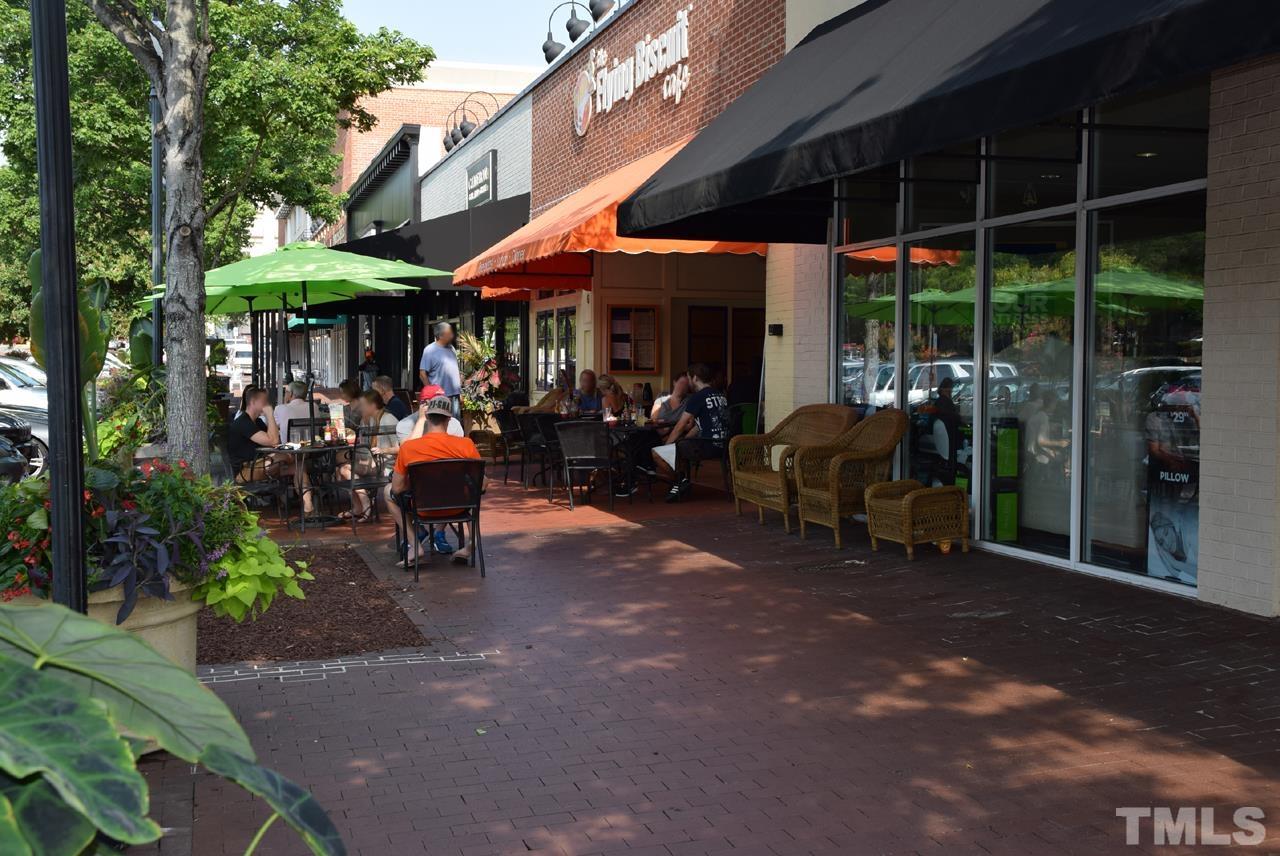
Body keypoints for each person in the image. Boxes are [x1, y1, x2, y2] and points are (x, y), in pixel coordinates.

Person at [388, 396, 482, 564]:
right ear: (449, 419)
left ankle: (415, 546)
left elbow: (396, 488)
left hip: (423, 509)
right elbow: (482, 482)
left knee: (387, 492)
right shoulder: (466, 445)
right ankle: (472, 543)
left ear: (427, 417)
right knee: (474, 490)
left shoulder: (409, 448)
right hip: (458, 508)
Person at [652, 363, 729, 503]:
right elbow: (700, 426)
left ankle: (681, 480)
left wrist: (668, 445)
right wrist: (682, 440)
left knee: (657, 454)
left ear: (695, 378)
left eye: (688, 378)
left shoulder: (698, 397)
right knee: (681, 445)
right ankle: (681, 482)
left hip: (707, 446)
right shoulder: (720, 395)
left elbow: (681, 425)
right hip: (724, 445)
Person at [229, 386, 312, 513]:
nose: (267, 404)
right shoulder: (243, 422)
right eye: (264, 401)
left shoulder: (257, 422)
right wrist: (269, 414)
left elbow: (275, 442)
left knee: (299, 466)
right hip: (245, 471)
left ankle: (308, 509)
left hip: (260, 466)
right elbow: (273, 441)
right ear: (253, 402)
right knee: (286, 457)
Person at [418, 321, 461, 417]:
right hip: (439, 397)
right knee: (443, 425)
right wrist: (431, 393)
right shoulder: (430, 350)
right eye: (449, 333)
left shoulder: (451, 348)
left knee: (455, 425)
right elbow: (422, 374)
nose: (452, 335)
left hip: (454, 396)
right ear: (441, 336)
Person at [396, 385, 465, 443]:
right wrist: (421, 420)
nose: (441, 407)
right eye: (436, 403)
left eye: (442, 402)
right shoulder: (405, 424)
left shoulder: (454, 423)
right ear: (423, 404)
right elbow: (407, 451)